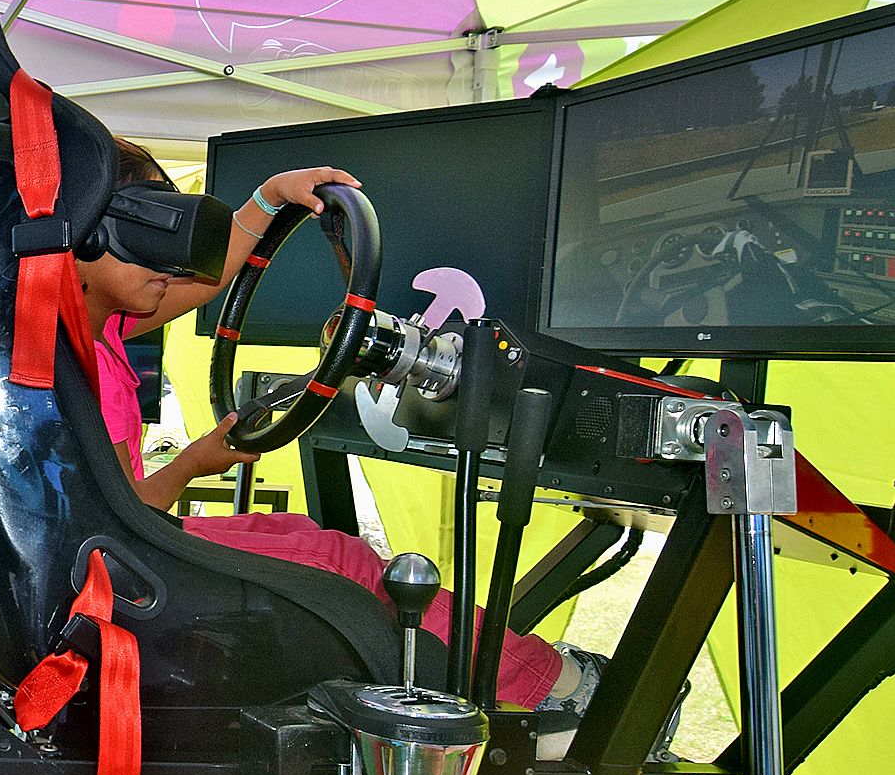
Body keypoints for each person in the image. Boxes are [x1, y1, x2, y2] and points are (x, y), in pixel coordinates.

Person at [79, 139, 596, 722]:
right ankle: (552, 689)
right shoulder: (87, 358)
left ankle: (529, 673)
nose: (174, 267)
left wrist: (270, 197)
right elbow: (131, 514)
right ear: (84, 239)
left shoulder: (96, 323)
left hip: (117, 560)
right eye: (151, 242)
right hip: (127, 571)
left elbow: (202, 282)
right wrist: (192, 463)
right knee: (342, 563)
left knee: (300, 532)